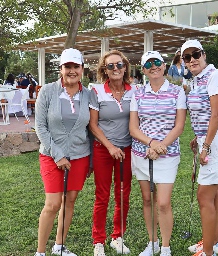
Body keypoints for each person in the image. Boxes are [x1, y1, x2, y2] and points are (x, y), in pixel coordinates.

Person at [180, 40, 218, 256]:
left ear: (203, 54)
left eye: (195, 54)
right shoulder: (197, 79)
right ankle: (212, 242)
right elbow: (201, 114)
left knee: (204, 197)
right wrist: (198, 138)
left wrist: (205, 145)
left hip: (217, 143)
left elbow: (216, 114)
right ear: (184, 62)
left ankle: (208, 252)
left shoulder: (214, 76)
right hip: (209, 139)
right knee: (215, 195)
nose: (192, 59)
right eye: (187, 57)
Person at [34, 48, 91, 256]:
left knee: (70, 200)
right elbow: (40, 127)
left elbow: (91, 128)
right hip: (51, 155)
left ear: (82, 69)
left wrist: (91, 160)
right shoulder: (48, 91)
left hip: (80, 155)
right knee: (53, 203)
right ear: (61, 69)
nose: (72, 71)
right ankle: (40, 252)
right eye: (68, 67)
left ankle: (59, 246)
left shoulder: (88, 94)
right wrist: (57, 155)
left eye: (76, 66)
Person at [129, 51, 187, 256]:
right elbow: (134, 128)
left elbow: (179, 126)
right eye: (148, 64)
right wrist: (152, 143)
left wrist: (161, 146)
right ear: (143, 70)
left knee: (162, 202)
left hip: (167, 154)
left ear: (164, 66)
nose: (153, 67)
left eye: (157, 63)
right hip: (142, 152)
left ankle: (165, 247)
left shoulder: (177, 91)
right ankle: (152, 242)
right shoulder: (137, 93)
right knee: (147, 199)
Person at [89, 50, 137, 256]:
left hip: (126, 150)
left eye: (119, 65)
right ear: (104, 70)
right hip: (103, 150)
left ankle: (117, 236)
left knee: (123, 194)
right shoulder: (96, 91)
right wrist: (110, 146)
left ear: (125, 67)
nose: (115, 69)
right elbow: (93, 125)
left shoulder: (134, 91)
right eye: (110, 66)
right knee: (102, 196)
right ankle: (98, 240)